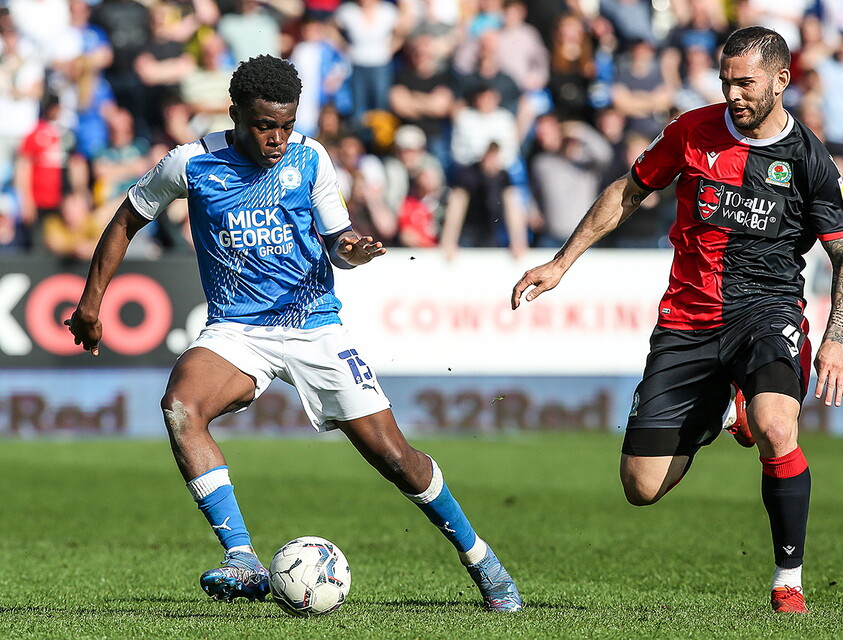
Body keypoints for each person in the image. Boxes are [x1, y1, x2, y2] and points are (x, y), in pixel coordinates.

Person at [66, 55, 522, 612]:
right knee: (181, 406)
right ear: (235, 114)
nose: (278, 137)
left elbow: (338, 238)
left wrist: (351, 250)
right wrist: (91, 302)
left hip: (313, 325)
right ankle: (242, 559)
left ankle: (485, 564)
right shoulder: (191, 164)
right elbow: (126, 217)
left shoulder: (311, 158)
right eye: (263, 125)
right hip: (237, 330)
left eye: (286, 123)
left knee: (397, 458)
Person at [511, 26, 843, 614]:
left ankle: (788, 581)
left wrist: (835, 341)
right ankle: (725, 404)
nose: (733, 94)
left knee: (779, 430)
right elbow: (629, 189)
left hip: (766, 311)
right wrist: (561, 262)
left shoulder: (810, 159)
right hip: (688, 321)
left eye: (745, 82)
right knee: (641, 488)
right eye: (725, 81)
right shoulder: (690, 131)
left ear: (782, 80)